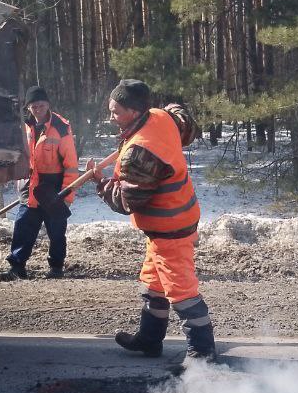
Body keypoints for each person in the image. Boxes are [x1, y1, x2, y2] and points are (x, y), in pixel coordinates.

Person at [87, 79, 216, 365]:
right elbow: (186, 124)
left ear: (134, 112)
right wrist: (173, 107)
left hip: (170, 228)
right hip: (174, 218)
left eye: (116, 111)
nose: (111, 117)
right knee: (153, 283)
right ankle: (149, 339)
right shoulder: (161, 117)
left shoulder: (139, 151)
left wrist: (100, 183)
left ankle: (203, 354)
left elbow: (128, 201)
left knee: (181, 292)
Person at [0, 85, 80, 281]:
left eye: (41, 105)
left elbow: (71, 165)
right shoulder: (23, 126)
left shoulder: (61, 127)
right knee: (23, 226)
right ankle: (17, 267)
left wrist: (67, 195)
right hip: (30, 185)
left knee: (56, 229)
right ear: (28, 108)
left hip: (54, 186)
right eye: (34, 106)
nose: (38, 110)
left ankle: (56, 267)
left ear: (48, 105)